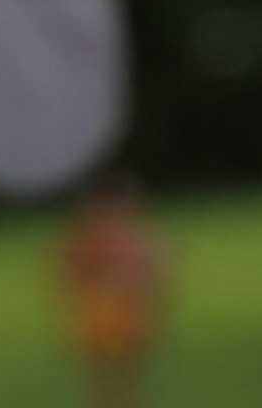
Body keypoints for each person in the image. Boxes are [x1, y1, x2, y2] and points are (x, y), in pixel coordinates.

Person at [60, 174, 166, 408]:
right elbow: (71, 273)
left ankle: (122, 399)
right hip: (98, 312)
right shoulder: (87, 239)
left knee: (125, 370)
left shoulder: (134, 238)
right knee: (103, 371)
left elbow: (152, 271)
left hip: (129, 312)